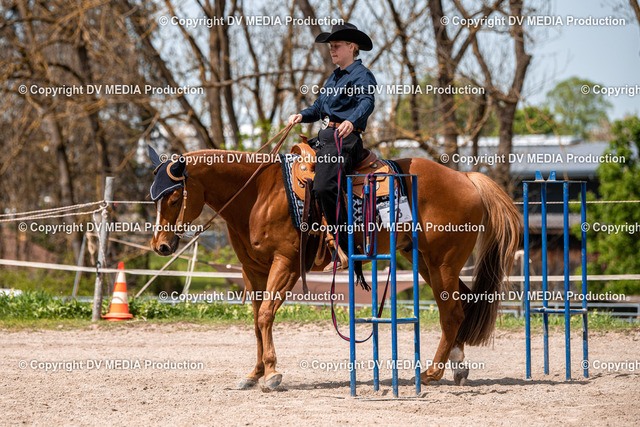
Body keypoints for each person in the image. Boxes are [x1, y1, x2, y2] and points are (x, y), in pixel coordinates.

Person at [288, 23, 376, 269]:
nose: (332, 50)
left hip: (346, 140)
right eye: (331, 46)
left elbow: (367, 101)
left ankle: (346, 249)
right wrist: (301, 115)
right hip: (325, 139)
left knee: (325, 185)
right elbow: (318, 108)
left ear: (351, 46)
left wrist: (352, 120)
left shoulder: (362, 75)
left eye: (336, 46)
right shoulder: (334, 76)